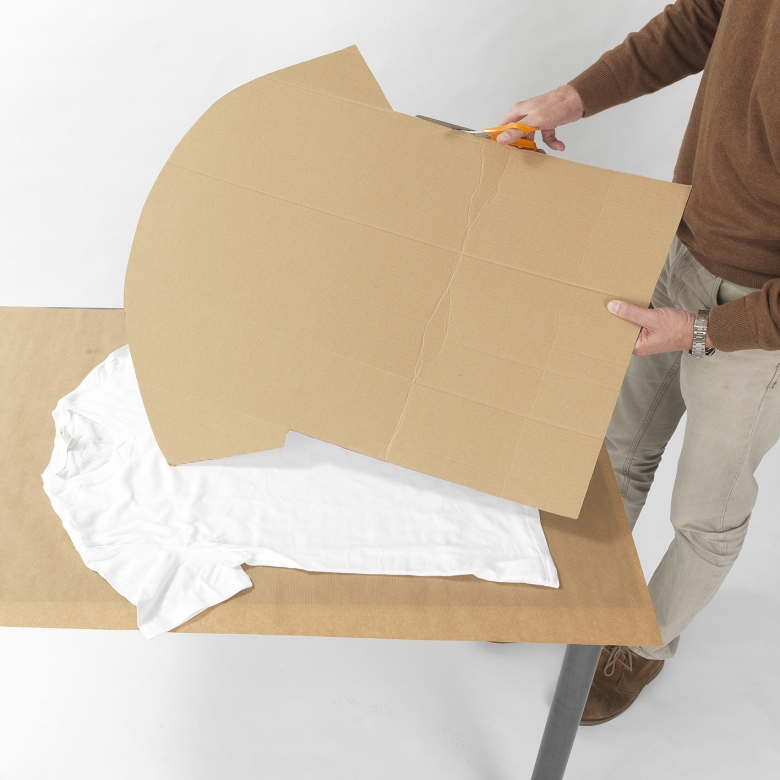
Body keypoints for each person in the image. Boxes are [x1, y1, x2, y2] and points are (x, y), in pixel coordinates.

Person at [495, 0, 780, 725]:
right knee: (614, 455)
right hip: (681, 245)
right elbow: (702, 18)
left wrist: (705, 331)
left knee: (705, 516)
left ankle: (642, 644)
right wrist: (574, 97)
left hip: (758, 319)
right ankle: (568, 589)